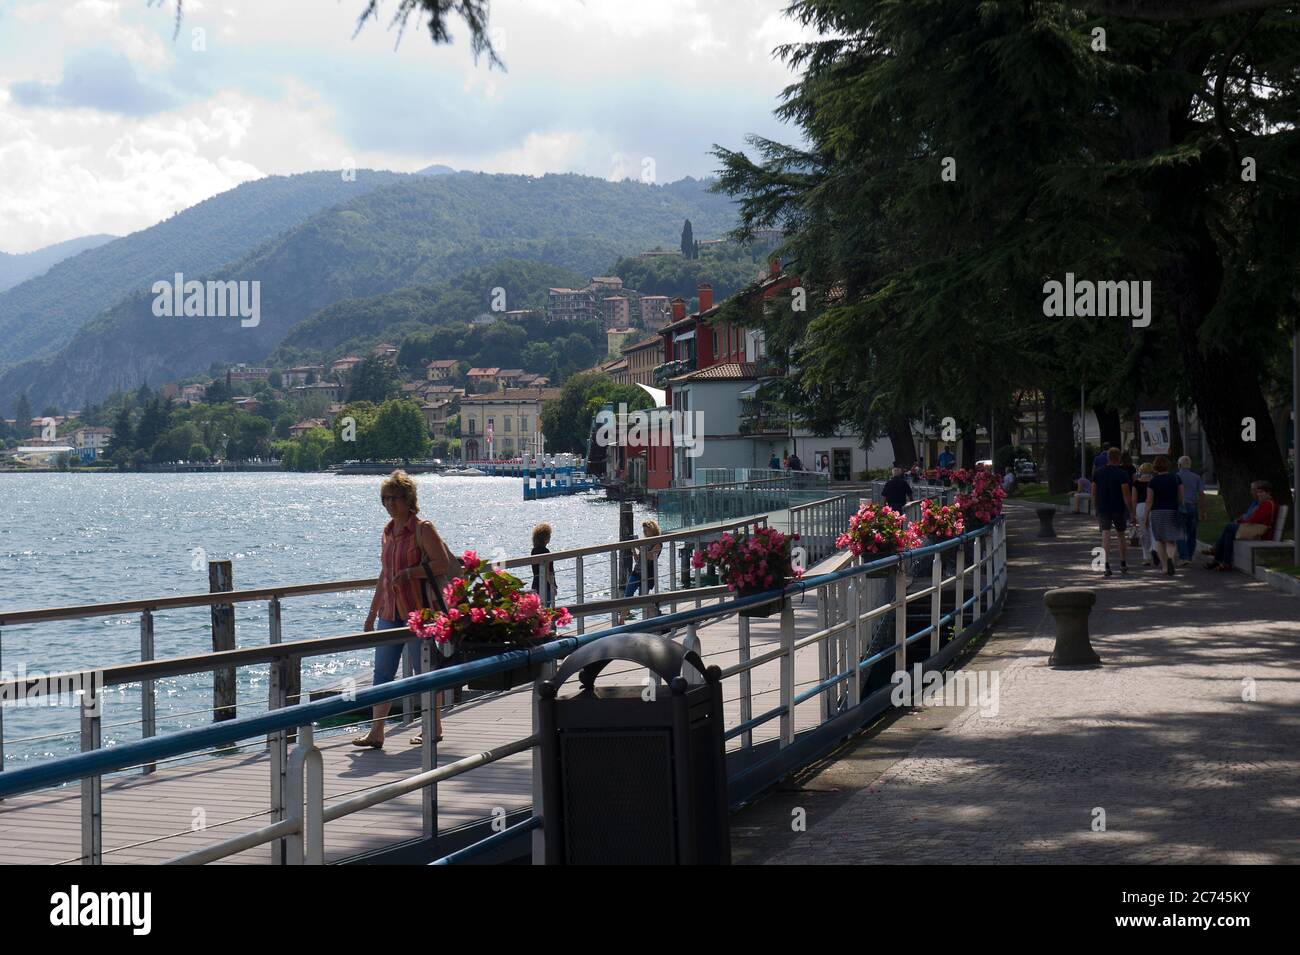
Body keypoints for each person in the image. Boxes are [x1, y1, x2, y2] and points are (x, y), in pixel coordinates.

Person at [354, 470, 457, 749]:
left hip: (418, 612)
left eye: (394, 498)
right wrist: (372, 612)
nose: (389, 504)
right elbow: (384, 575)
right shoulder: (388, 532)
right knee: (382, 673)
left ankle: (433, 728)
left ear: (408, 499)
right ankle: (376, 731)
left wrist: (410, 573)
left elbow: (442, 564)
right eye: (384, 498)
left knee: (426, 671)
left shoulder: (423, 529)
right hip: (389, 612)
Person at [1205, 481, 1276, 571]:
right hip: (1253, 528)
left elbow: (1254, 519)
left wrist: (1241, 521)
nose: (1259, 495)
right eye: (1258, 492)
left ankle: (1217, 554)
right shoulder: (1263, 503)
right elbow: (1253, 518)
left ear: (1268, 493)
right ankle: (1225, 562)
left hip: (1259, 531)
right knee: (1229, 534)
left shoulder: (1267, 504)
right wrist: (1242, 521)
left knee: (1229, 527)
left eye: (1262, 492)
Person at [1092, 447, 1134, 576]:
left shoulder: (1098, 473)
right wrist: (1131, 511)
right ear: (1119, 458)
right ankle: (1123, 563)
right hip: (1118, 508)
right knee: (1121, 535)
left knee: (1105, 534)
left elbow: (1094, 493)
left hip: (1103, 508)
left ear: (1108, 458)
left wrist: (1095, 508)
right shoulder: (1122, 474)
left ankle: (1106, 565)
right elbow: (1126, 495)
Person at [1144, 455, 1184, 576]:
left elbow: (1149, 500)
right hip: (1172, 510)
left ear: (1155, 467)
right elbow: (1181, 496)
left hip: (1157, 512)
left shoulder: (1153, 481)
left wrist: (1146, 516)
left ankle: (1165, 566)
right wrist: (1180, 506)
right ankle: (1171, 557)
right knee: (1171, 540)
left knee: (1160, 541)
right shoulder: (1176, 478)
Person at [621, 519, 663, 621]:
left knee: (643, 597)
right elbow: (638, 560)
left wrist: (639, 548)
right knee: (627, 596)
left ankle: (651, 615)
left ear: (653, 530)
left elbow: (651, 556)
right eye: (643, 531)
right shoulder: (644, 542)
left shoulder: (657, 543)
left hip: (648, 574)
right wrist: (633, 551)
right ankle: (621, 621)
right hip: (637, 572)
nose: (644, 533)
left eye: (646, 530)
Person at [1175, 456, 1207, 566]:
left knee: (1180, 533)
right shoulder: (1196, 477)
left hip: (1180, 507)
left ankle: (1184, 557)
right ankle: (1189, 555)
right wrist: (1203, 511)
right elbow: (1202, 494)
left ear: (1179, 465)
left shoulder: (1176, 476)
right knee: (1192, 533)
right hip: (1193, 507)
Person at [530, 522, 558, 608]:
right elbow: (547, 571)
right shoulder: (546, 552)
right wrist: (553, 586)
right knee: (546, 611)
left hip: (536, 585)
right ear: (546, 538)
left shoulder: (534, 551)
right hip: (546, 587)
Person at [1133, 463, 1156, 566]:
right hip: (1153, 506)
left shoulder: (1136, 483)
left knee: (1144, 532)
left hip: (1140, 507)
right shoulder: (1155, 481)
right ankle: (1154, 548)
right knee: (1153, 530)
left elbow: (1133, 499)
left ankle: (1146, 557)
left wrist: (1133, 513)